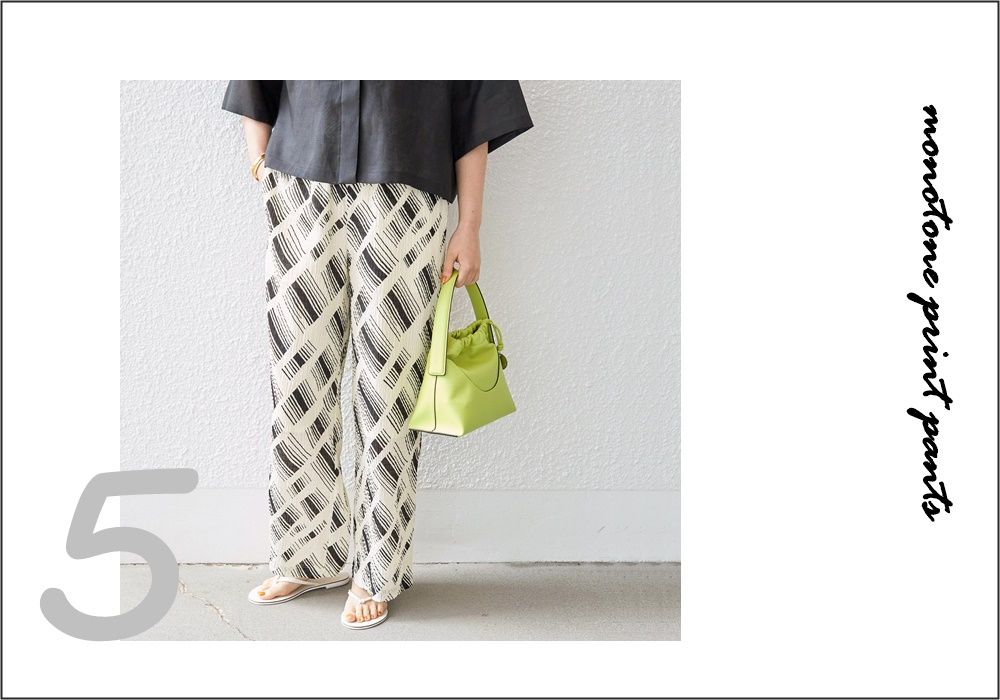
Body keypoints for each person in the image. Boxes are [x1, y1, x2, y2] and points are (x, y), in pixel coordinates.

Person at [222, 81, 532, 629]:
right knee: (297, 381)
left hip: (404, 200)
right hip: (301, 190)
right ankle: (307, 555)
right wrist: (260, 160)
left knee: (389, 391)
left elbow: (476, 105)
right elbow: (255, 76)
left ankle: (377, 570)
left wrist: (470, 226)